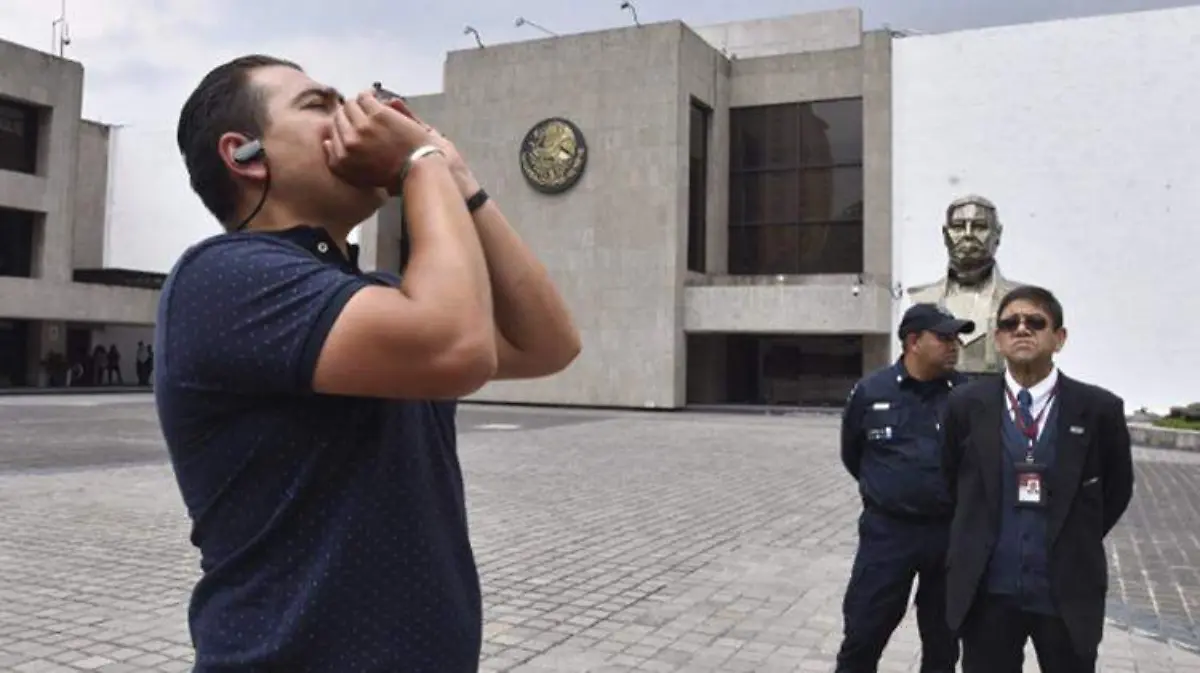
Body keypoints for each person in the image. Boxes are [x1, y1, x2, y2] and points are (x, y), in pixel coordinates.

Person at [156, 55, 580, 672]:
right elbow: (456, 346)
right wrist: (419, 163)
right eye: (317, 104)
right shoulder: (221, 279)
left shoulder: (376, 300)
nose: (353, 113)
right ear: (243, 155)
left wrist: (460, 180)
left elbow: (549, 344)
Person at [941, 285, 1134, 673]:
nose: (1022, 329)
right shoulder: (965, 406)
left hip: (1065, 595)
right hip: (987, 591)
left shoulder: (1098, 409)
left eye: (1035, 322)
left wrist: (1075, 536)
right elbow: (952, 483)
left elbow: (1116, 490)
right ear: (998, 339)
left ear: (1059, 338)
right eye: (1010, 323)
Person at [835, 303, 974, 673]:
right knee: (864, 634)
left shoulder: (967, 394)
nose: (954, 344)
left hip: (949, 535)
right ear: (913, 341)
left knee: (944, 644)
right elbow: (854, 454)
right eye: (944, 337)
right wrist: (891, 490)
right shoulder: (871, 391)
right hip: (889, 534)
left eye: (956, 337)